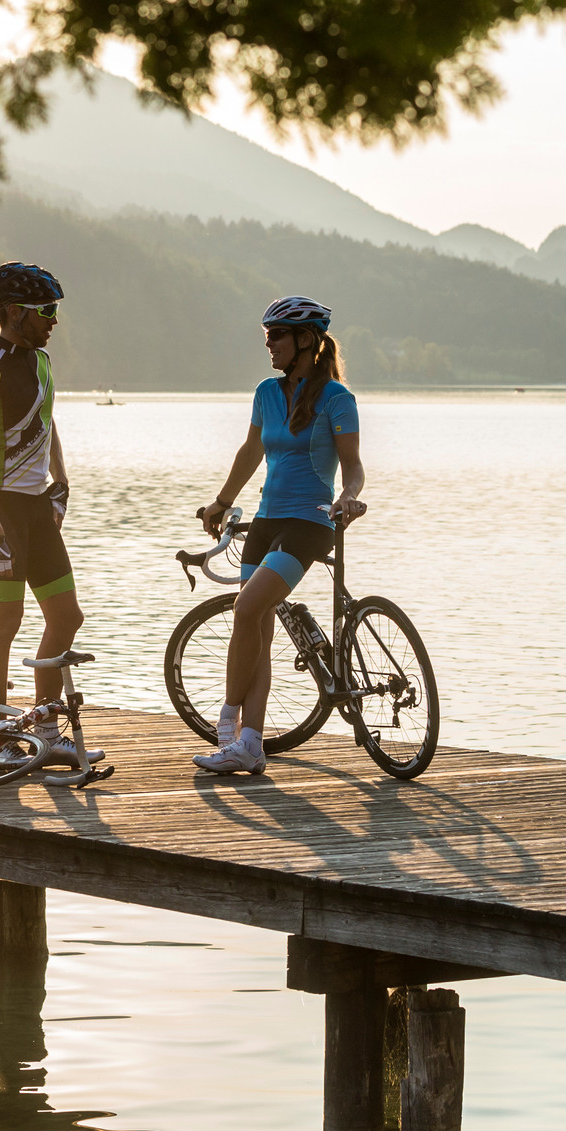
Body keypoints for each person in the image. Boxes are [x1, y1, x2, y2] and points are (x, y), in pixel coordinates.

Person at [192, 295, 364, 775]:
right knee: (259, 630)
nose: (269, 345)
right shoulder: (267, 392)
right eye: (266, 337)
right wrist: (222, 501)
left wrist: (348, 497)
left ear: (305, 341)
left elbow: (352, 468)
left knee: (247, 608)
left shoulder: (337, 399)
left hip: (310, 522)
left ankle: (227, 723)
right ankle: (251, 742)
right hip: (266, 521)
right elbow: (251, 451)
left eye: (278, 336)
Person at [0, 261, 89, 764]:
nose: (54, 319)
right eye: (46, 310)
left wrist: (61, 480)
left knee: (66, 615)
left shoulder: (41, 360)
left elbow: (46, 421)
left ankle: (45, 728)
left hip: (37, 505)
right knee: (6, 619)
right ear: (15, 313)